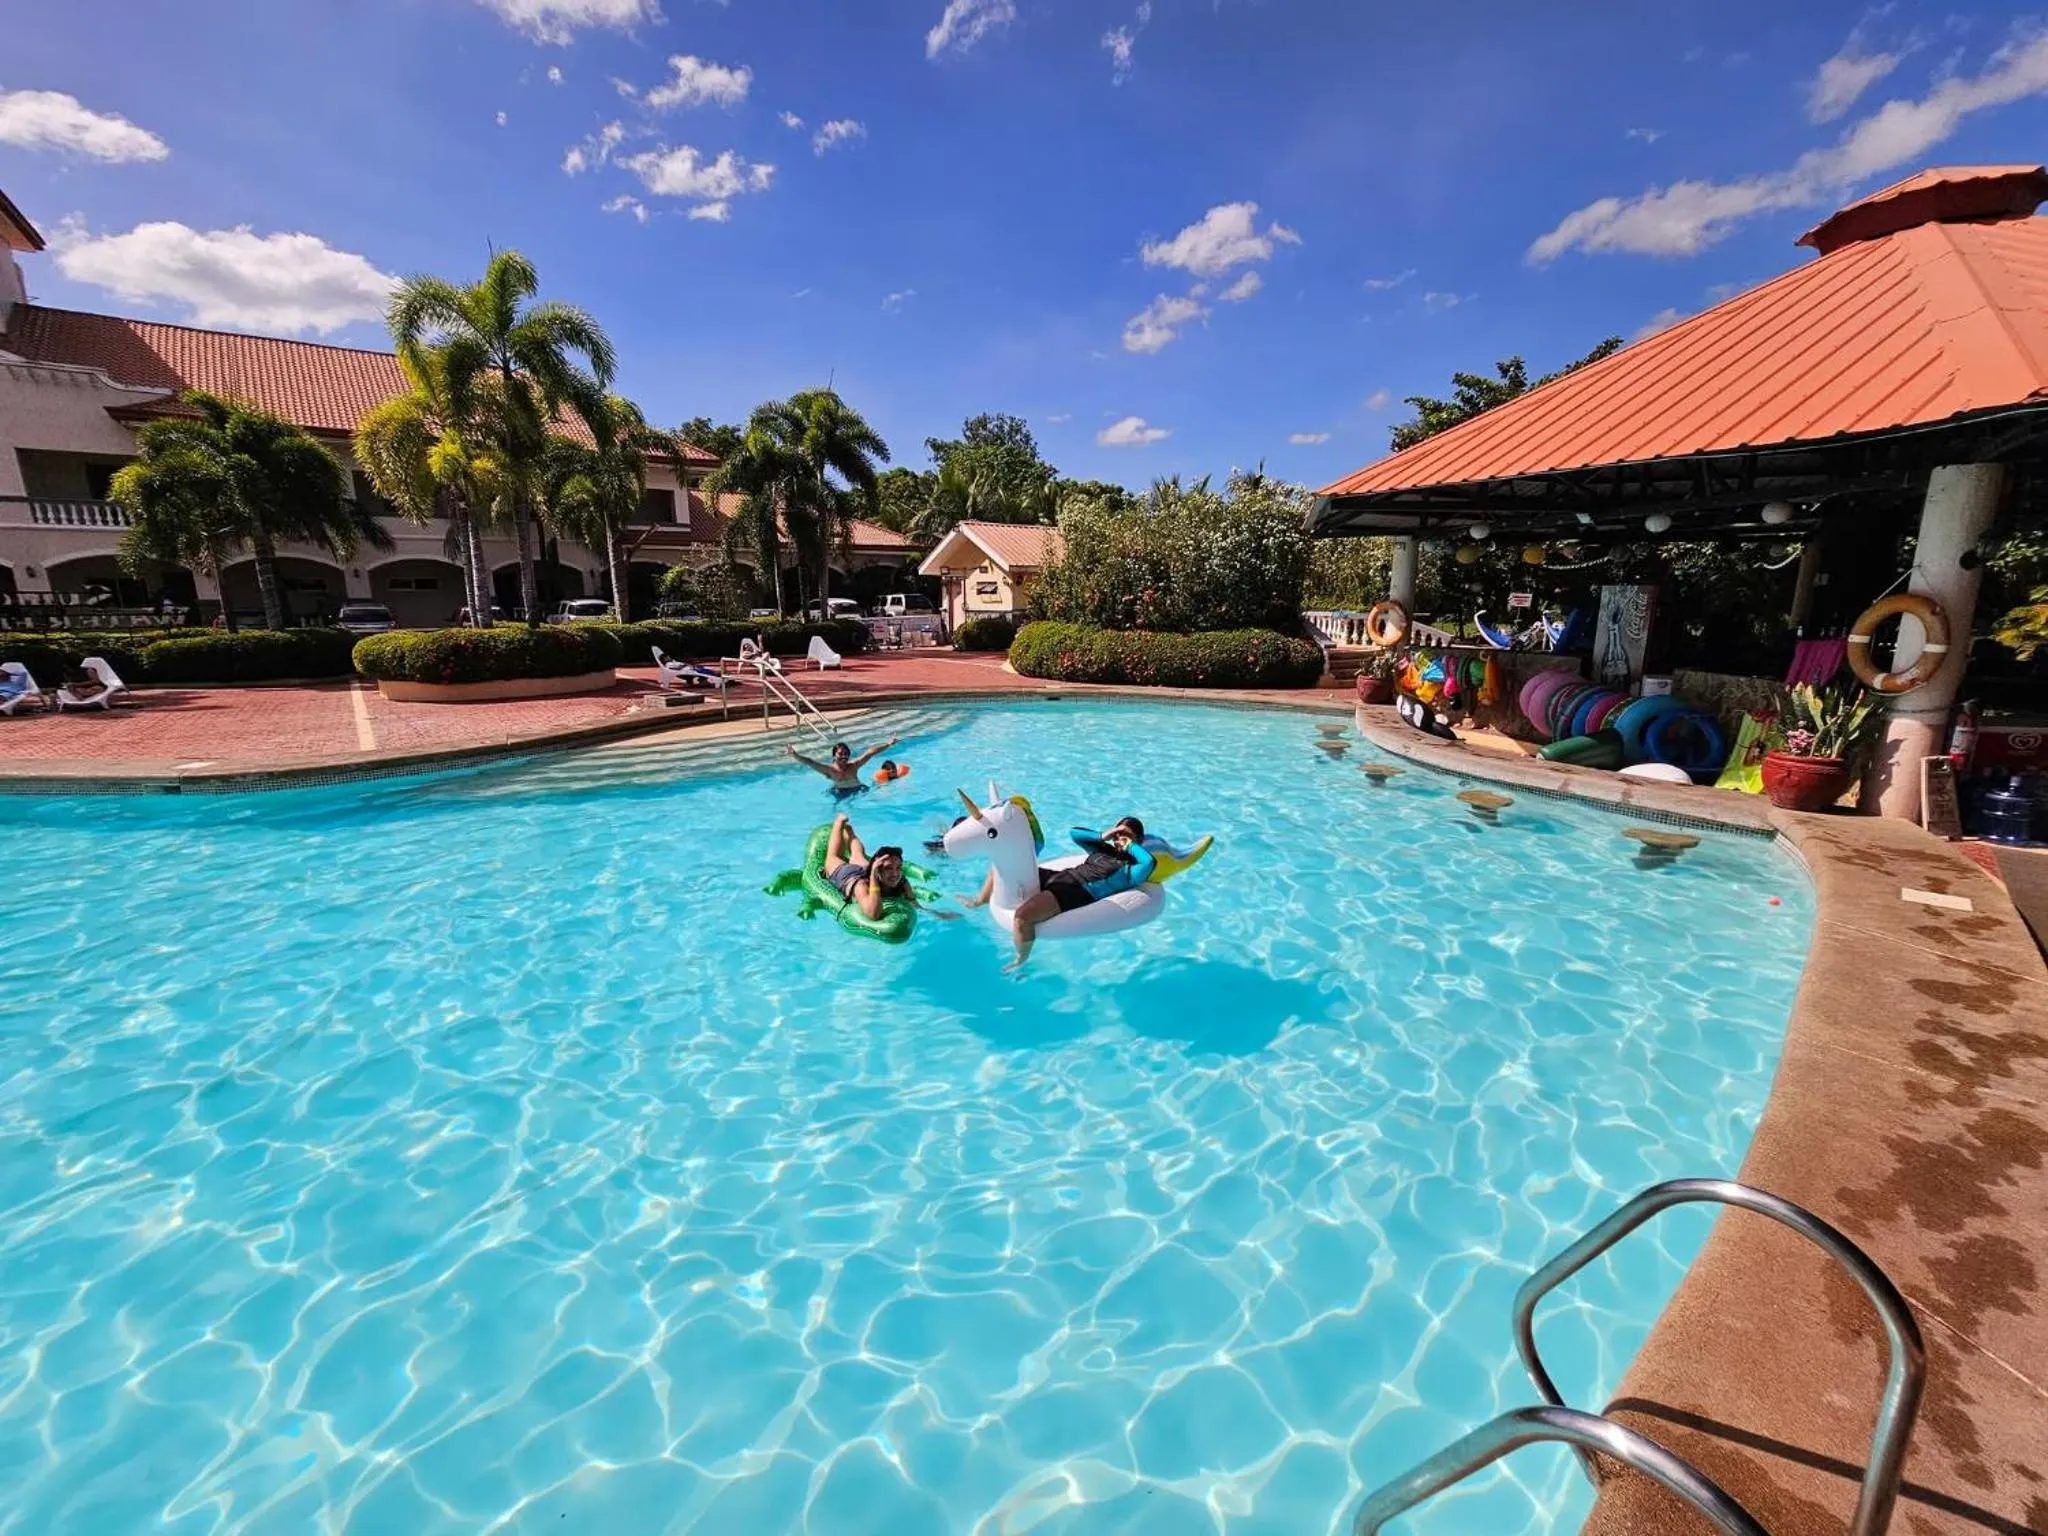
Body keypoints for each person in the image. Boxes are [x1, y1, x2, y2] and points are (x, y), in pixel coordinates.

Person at [965, 816, 1155, 971]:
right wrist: (1106, 834)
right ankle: (979, 901)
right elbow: (1075, 834)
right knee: (1002, 868)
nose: (1120, 838)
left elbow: (1149, 863)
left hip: (1077, 891)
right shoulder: (1102, 849)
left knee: (1023, 917)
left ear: (1138, 840)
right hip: (1062, 876)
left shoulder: (1130, 870)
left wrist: (1130, 845)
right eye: (1119, 833)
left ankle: (1021, 960)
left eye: (1126, 835)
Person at [823, 815, 957, 925]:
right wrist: (874, 877)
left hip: (867, 870)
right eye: (888, 868)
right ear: (878, 870)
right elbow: (873, 914)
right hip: (848, 876)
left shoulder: (902, 882)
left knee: (858, 853)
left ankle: (851, 834)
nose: (895, 873)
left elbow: (916, 906)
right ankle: (838, 823)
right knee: (833, 856)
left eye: (898, 868)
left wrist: (939, 914)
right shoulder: (861, 886)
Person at [788, 736, 899, 797]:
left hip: (858, 790)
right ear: (834, 755)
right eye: (840, 753)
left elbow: (870, 753)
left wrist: (888, 744)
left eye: (846, 753)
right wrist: (795, 755)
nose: (844, 756)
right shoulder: (829, 770)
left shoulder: (853, 766)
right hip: (840, 792)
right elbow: (811, 762)